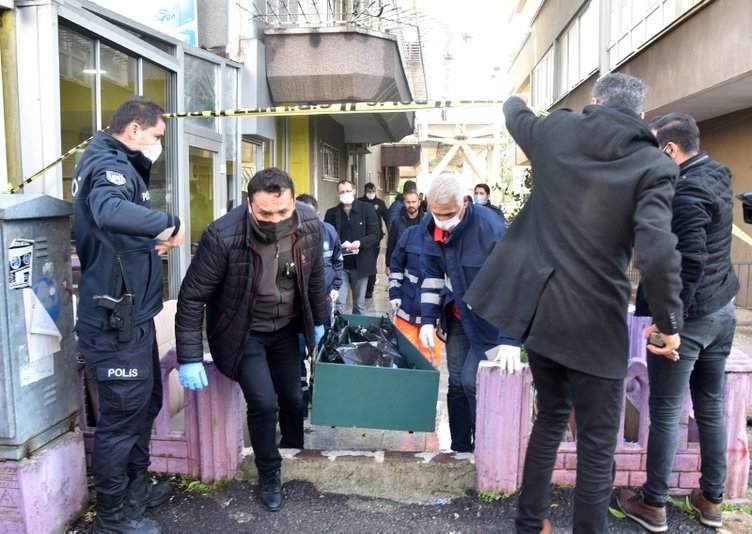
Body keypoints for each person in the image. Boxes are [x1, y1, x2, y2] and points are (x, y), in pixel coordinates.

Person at [464, 73, 685, 533]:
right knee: (597, 446)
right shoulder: (654, 165)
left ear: (596, 102)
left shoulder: (557, 131)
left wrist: (515, 96)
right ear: (642, 115)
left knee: (550, 418)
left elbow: (514, 113)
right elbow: (657, 253)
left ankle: (530, 524)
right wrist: (668, 323)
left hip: (543, 313)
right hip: (597, 323)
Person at [174, 168, 327, 512]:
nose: (275, 220)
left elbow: (315, 276)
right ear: (249, 205)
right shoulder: (222, 236)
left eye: (283, 211)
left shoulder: (309, 225)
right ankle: (269, 472)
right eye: (265, 214)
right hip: (243, 332)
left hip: (285, 327)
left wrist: (319, 321)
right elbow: (192, 297)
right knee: (263, 402)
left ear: (293, 202)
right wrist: (189, 356)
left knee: (293, 397)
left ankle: (293, 450)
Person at [617, 113, 739, 532]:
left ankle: (653, 504)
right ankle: (712, 500)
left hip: (690, 318)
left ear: (669, 149)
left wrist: (670, 326)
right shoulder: (717, 174)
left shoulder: (685, 193)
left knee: (667, 412)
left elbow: (687, 265)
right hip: (722, 312)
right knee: (710, 407)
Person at [72, 95, 183, 533]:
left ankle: (136, 492)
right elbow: (109, 210)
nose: (159, 143)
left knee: (143, 406)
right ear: (134, 129)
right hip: (113, 326)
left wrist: (146, 245)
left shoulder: (119, 161)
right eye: (157, 135)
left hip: (134, 318)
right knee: (121, 419)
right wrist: (170, 223)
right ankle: (112, 516)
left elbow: (110, 238)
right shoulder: (107, 163)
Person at [418, 173, 517, 453]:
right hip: (458, 315)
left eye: (448, 214)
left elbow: (512, 283)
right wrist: (427, 321)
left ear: (464, 202)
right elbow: (432, 275)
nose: (441, 220)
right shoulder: (430, 225)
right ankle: (461, 448)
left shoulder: (490, 228)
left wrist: (509, 338)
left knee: (473, 382)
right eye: (436, 213)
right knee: (456, 383)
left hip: (490, 320)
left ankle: (486, 448)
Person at [295, 193, 343, 411]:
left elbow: (337, 261)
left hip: (322, 304)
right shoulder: (289, 236)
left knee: (322, 352)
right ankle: (300, 399)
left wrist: (336, 287)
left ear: (318, 214)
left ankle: (320, 397)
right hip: (296, 308)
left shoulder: (329, 232)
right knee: (296, 353)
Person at [324, 179, 380, 315]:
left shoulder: (367, 209)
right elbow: (327, 237)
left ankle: (356, 327)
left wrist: (361, 243)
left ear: (354, 191)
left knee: (359, 305)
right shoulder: (332, 213)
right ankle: (339, 327)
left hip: (361, 265)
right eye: (342, 192)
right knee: (338, 303)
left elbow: (375, 234)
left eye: (348, 191)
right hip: (340, 266)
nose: (345, 194)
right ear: (337, 194)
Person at [388, 224, 443, 365]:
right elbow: (396, 266)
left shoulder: (450, 237)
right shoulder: (411, 233)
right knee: (403, 356)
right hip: (406, 309)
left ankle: (427, 380)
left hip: (434, 315)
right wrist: (394, 293)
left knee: (430, 360)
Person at [359, 182, 389, 299]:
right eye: (368, 191)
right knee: (361, 263)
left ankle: (369, 289)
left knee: (371, 263)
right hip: (361, 238)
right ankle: (360, 287)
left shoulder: (380, 203)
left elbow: (387, 219)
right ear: (365, 191)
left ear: (375, 191)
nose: (371, 193)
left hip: (375, 238)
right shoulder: (359, 202)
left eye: (373, 191)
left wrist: (390, 234)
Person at [385, 190, 424, 274]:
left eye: (413, 202)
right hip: (401, 264)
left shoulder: (426, 221)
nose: (411, 205)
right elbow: (391, 243)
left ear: (419, 202)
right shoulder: (397, 222)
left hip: (421, 265)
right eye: (408, 202)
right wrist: (388, 265)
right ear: (404, 203)